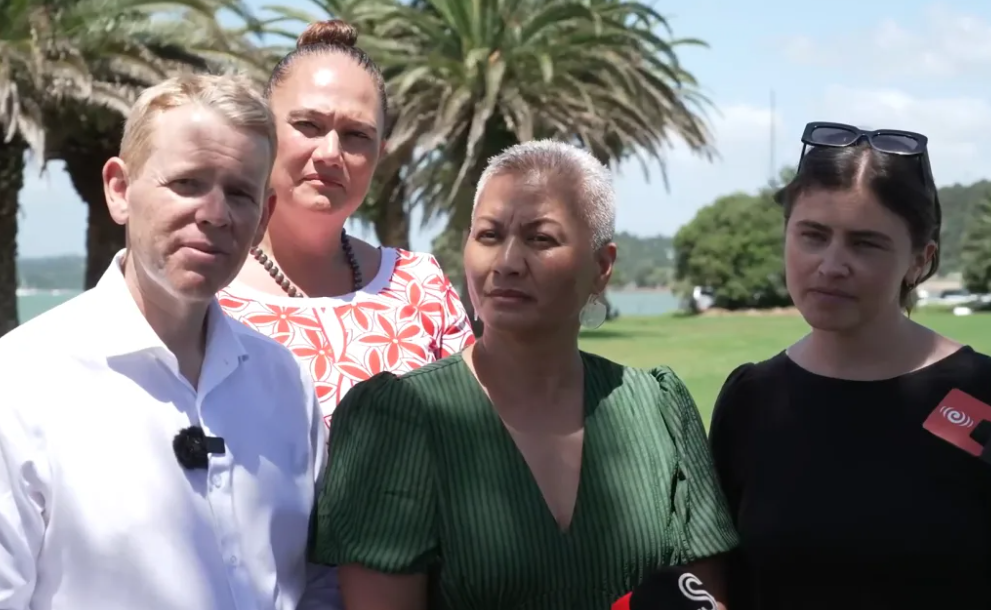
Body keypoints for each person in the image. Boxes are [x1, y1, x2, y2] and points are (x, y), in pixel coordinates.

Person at [306, 140, 739, 610]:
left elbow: (702, 596)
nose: (508, 262)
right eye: (489, 235)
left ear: (602, 267)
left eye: (541, 239)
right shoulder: (396, 421)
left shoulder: (660, 411)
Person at [0, 74, 338, 610]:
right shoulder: (21, 383)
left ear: (262, 220)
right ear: (119, 190)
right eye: (187, 183)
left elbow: (318, 582)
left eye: (240, 193)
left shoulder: (285, 383)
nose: (214, 213)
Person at [708, 122, 991, 610]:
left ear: (920, 261)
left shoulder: (981, 395)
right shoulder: (751, 398)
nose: (832, 265)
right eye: (813, 236)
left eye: (865, 244)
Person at [219, 19, 474, 423]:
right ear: (262, 132)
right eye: (308, 126)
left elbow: (470, 441)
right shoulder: (206, 287)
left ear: (380, 153)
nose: (330, 152)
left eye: (356, 134)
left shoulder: (420, 288)